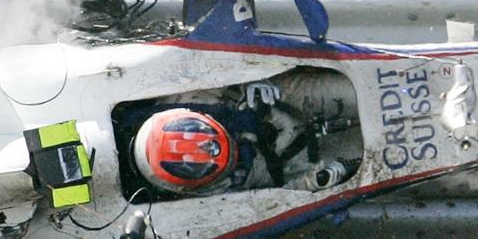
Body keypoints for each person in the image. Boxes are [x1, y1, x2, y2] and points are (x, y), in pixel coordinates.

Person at [130, 81, 358, 195]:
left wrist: (251, 80)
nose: (212, 148)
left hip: (280, 102)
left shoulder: (191, 96)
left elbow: (221, 59)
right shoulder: (211, 194)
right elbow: (265, 202)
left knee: (354, 89)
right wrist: (312, 183)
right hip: (292, 163)